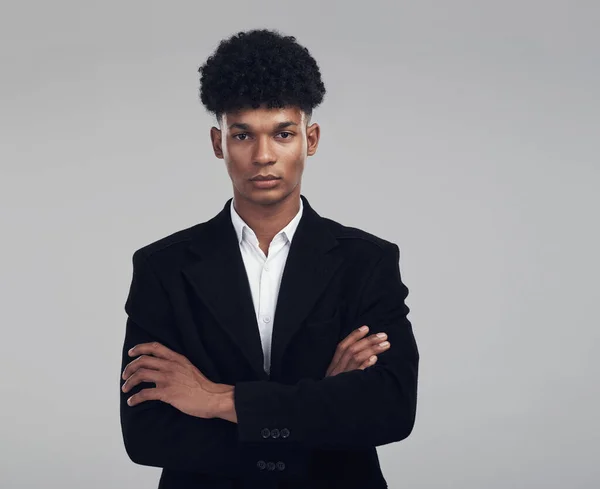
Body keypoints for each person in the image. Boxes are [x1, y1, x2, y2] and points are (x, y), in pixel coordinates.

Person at [119, 28, 419, 489]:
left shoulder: (368, 261)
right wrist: (322, 401)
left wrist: (216, 399)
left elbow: (390, 411)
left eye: (282, 134)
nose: (263, 156)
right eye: (243, 135)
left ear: (310, 138)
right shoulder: (164, 267)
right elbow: (147, 434)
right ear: (219, 143)